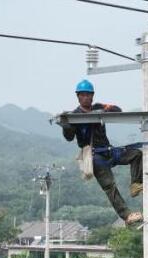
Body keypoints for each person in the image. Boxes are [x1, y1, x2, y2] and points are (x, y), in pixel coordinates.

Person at [60, 79, 143, 225]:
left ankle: (136, 183)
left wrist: (103, 110)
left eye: (88, 95)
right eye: (83, 95)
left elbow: (117, 110)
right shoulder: (75, 115)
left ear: (92, 96)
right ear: (78, 97)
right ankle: (127, 215)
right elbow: (69, 137)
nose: (86, 98)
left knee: (136, 154)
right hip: (95, 156)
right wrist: (66, 125)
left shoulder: (98, 107)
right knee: (110, 186)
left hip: (108, 150)